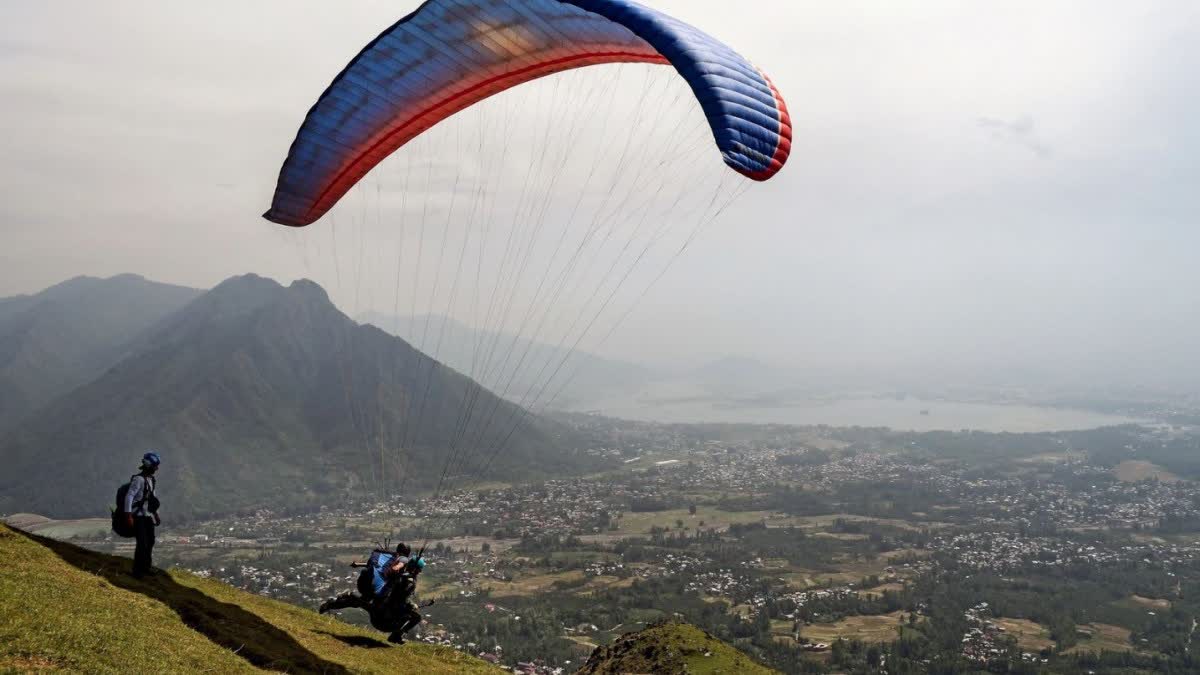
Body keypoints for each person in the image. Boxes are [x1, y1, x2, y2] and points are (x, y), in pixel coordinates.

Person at [319, 544, 430, 644]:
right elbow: (400, 596)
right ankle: (396, 636)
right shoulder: (407, 578)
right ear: (416, 570)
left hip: (379, 602)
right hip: (387, 616)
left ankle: (332, 604)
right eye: (419, 570)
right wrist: (411, 605)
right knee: (416, 617)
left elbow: (377, 566)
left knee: (359, 601)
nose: (419, 572)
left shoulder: (398, 567)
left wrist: (358, 564)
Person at [124, 452, 161, 578]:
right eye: (155, 466)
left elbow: (151, 499)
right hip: (137, 516)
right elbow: (129, 496)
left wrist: (155, 514)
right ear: (149, 465)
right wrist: (128, 515)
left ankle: (146, 567)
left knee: (150, 541)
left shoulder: (151, 480)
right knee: (142, 543)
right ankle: (137, 571)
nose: (157, 468)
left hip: (146, 515)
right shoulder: (138, 479)